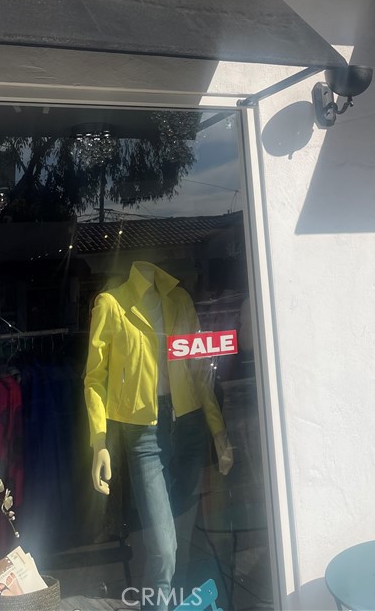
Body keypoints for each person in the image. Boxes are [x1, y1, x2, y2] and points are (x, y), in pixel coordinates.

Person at [85, 261, 233, 610]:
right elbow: (94, 378)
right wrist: (99, 441)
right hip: (145, 436)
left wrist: (218, 430)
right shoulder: (112, 304)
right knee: (164, 550)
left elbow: (199, 371)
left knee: (181, 543)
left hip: (189, 427)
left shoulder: (179, 300)